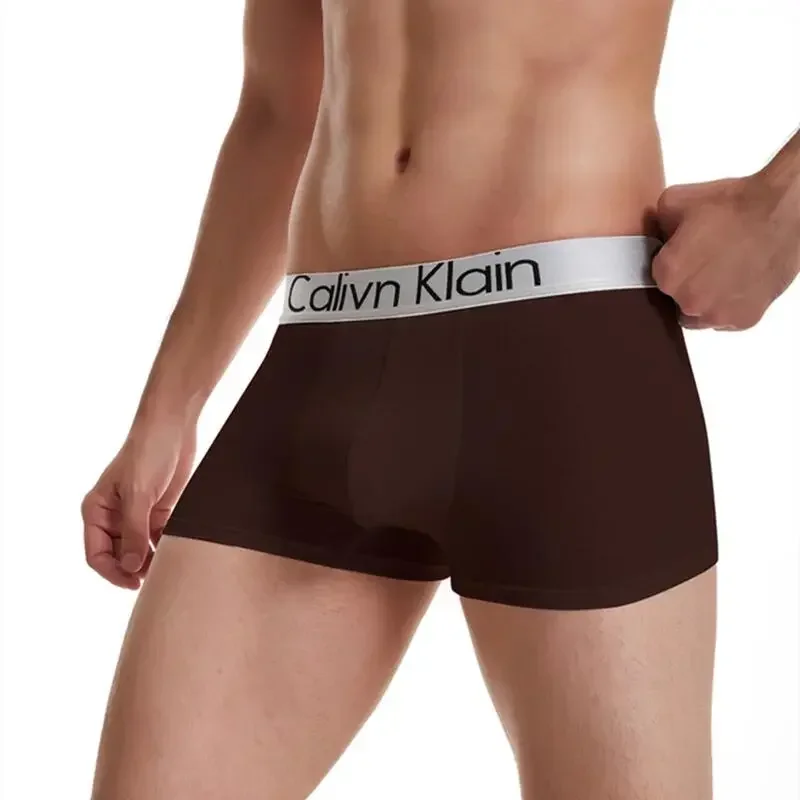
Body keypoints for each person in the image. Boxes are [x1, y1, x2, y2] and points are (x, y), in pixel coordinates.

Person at [81, 0, 800, 797]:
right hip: (319, 366)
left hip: (565, 363)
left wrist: (779, 211)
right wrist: (169, 406)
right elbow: (281, 108)